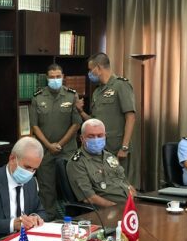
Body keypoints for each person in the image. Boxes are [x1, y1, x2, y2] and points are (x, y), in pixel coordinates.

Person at [29, 63, 82, 220]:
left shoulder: (72, 95)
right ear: (47, 78)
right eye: (52, 77)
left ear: (63, 77)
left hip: (68, 150)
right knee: (47, 189)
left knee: (73, 186)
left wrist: (59, 144)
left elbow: (76, 124)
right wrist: (49, 146)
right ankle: (49, 219)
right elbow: (34, 126)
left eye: (58, 76)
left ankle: (77, 218)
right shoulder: (37, 97)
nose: (55, 79)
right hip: (45, 151)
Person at [75, 52, 136, 161]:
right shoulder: (97, 91)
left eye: (90, 70)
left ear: (98, 68)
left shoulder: (121, 85)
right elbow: (94, 121)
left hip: (117, 148)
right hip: (100, 149)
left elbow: (130, 117)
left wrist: (125, 147)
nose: (89, 73)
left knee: (119, 178)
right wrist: (81, 111)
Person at [66, 119, 134, 207]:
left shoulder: (110, 157)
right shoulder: (77, 163)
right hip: (109, 210)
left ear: (105, 136)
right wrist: (116, 208)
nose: (96, 139)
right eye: (91, 136)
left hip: (130, 205)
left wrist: (136, 200)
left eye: (99, 135)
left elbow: (126, 183)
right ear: (82, 139)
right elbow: (89, 198)